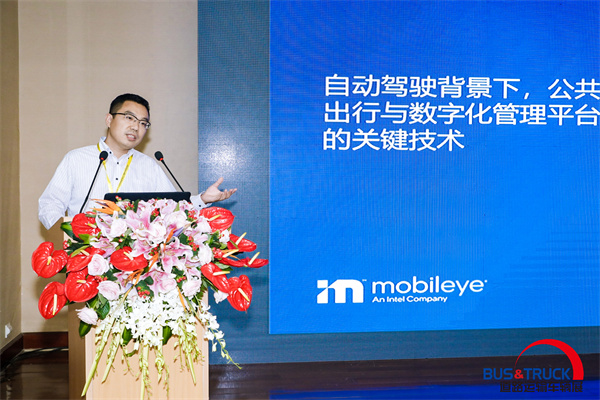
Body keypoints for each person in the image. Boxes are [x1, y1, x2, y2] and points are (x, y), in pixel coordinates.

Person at [38, 93, 236, 229]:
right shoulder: (76, 159)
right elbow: (50, 204)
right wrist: (68, 233)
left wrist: (203, 199)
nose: (136, 127)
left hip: (135, 265)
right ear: (109, 120)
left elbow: (173, 208)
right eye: (129, 118)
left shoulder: (149, 166)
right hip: (85, 259)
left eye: (143, 123)